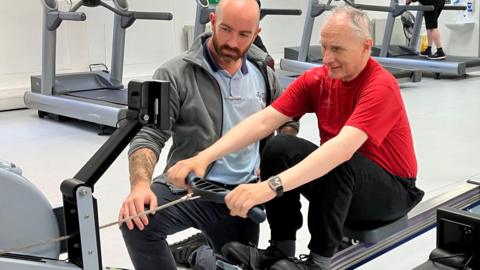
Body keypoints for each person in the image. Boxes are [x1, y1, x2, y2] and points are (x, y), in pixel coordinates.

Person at [167, 6, 425, 270]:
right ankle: (281, 249)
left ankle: (319, 263)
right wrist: (202, 158)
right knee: (280, 146)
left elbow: (343, 148)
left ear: (365, 47)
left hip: (392, 194)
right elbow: (264, 121)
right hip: (342, 185)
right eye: (324, 47)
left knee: (336, 160)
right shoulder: (318, 79)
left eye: (337, 49)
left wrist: (268, 187)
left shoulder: (380, 86)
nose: (326, 58)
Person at [118, 0, 298, 269]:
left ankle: (195, 251)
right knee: (136, 223)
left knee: (234, 263)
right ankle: (199, 248)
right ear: (212, 21)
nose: (232, 42)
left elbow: (289, 118)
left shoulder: (265, 73)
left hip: (241, 196)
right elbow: (149, 135)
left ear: (256, 33)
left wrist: (274, 153)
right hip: (190, 188)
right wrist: (140, 186)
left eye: (243, 35)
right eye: (225, 29)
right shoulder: (171, 73)